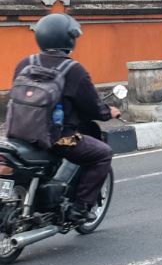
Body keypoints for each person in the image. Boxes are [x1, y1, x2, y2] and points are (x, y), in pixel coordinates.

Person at [11, 13, 121, 222]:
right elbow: (93, 107)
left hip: (18, 134)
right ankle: (79, 209)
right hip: (57, 138)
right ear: (68, 38)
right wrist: (109, 112)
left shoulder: (25, 62)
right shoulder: (73, 69)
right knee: (102, 154)